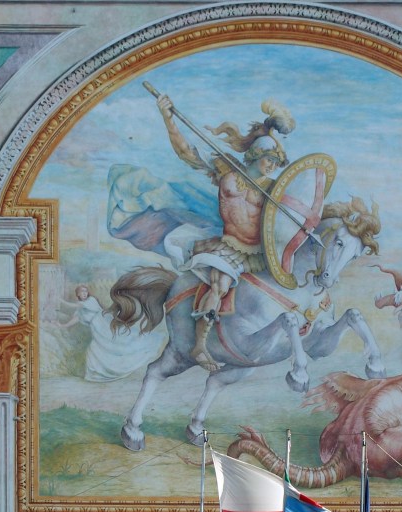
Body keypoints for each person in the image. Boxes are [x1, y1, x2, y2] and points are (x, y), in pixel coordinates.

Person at [156, 94, 295, 370]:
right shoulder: (226, 171)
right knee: (219, 284)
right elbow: (187, 153)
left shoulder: (274, 189)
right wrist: (167, 118)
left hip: (259, 252)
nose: (272, 165)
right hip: (228, 245)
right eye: (269, 158)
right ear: (256, 154)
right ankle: (199, 346)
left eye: (276, 162)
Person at [53, 284, 167, 381]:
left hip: (102, 323)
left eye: (85, 291)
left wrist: (59, 300)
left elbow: (74, 305)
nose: (84, 293)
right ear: (77, 294)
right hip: (96, 329)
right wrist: (63, 325)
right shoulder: (80, 310)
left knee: (118, 342)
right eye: (81, 292)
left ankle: (130, 358)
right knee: (98, 350)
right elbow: (75, 319)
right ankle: (97, 374)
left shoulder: (90, 301)